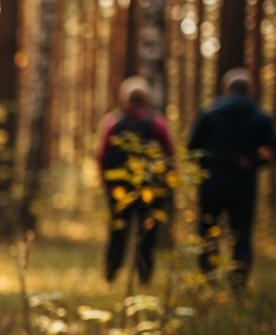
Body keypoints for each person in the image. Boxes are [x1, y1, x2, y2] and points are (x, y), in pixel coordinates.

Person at [188, 67, 276, 289]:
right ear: (250, 90)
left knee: (208, 233)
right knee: (242, 235)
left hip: (211, 185)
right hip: (244, 186)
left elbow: (192, 148)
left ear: (225, 88)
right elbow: (271, 152)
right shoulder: (261, 118)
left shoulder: (209, 114)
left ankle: (209, 281)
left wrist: (209, 164)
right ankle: (238, 285)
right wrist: (253, 162)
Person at [97, 76, 175, 285]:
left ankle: (110, 276)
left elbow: (103, 158)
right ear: (146, 98)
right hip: (150, 191)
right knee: (147, 235)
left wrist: (108, 185)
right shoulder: (157, 123)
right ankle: (144, 278)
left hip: (119, 191)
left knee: (117, 234)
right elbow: (169, 156)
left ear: (125, 98)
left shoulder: (113, 123)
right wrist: (166, 185)